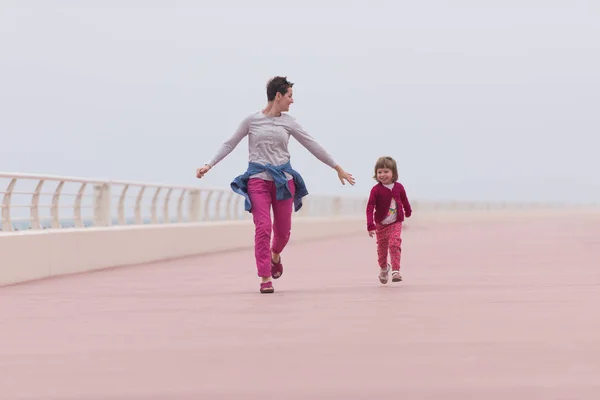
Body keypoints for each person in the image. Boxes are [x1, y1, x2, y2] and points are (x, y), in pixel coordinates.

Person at [196, 76, 355, 294]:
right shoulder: (251, 121)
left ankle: (275, 255)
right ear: (278, 96)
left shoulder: (289, 122)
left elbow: (312, 144)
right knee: (263, 228)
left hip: (283, 181)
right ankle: (265, 278)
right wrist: (209, 164)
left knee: (283, 233)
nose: (292, 101)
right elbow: (229, 143)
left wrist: (337, 167)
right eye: (289, 96)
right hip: (257, 180)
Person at [366, 156, 412, 284]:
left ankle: (396, 271)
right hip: (381, 225)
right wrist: (370, 225)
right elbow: (370, 207)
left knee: (394, 243)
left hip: (396, 222)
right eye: (379, 172)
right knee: (381, 251)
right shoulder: (376, 190)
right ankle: (384, 268)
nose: (382, 174)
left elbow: (404, 200)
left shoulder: (399, 187)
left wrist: (408, 211)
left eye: (386, 171)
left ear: (393, 173)